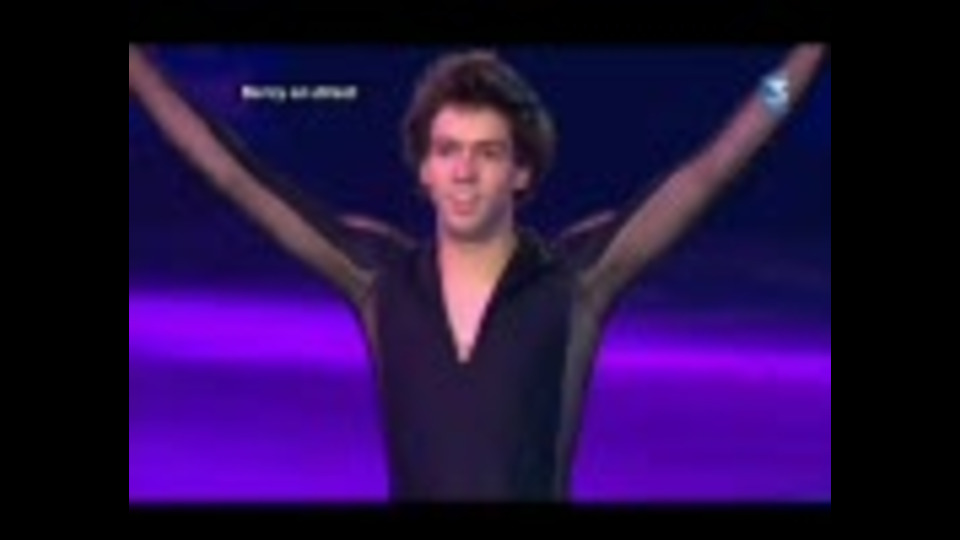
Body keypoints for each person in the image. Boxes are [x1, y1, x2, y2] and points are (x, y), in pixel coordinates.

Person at [128, 44, 828, 502]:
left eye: (487, 153)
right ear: (425, 170)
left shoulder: (574, 280)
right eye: (448, 151)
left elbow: (713, 167)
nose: (464, 172)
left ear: (521, 171)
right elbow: (231, 172)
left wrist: (804, 59)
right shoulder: (380, 279)